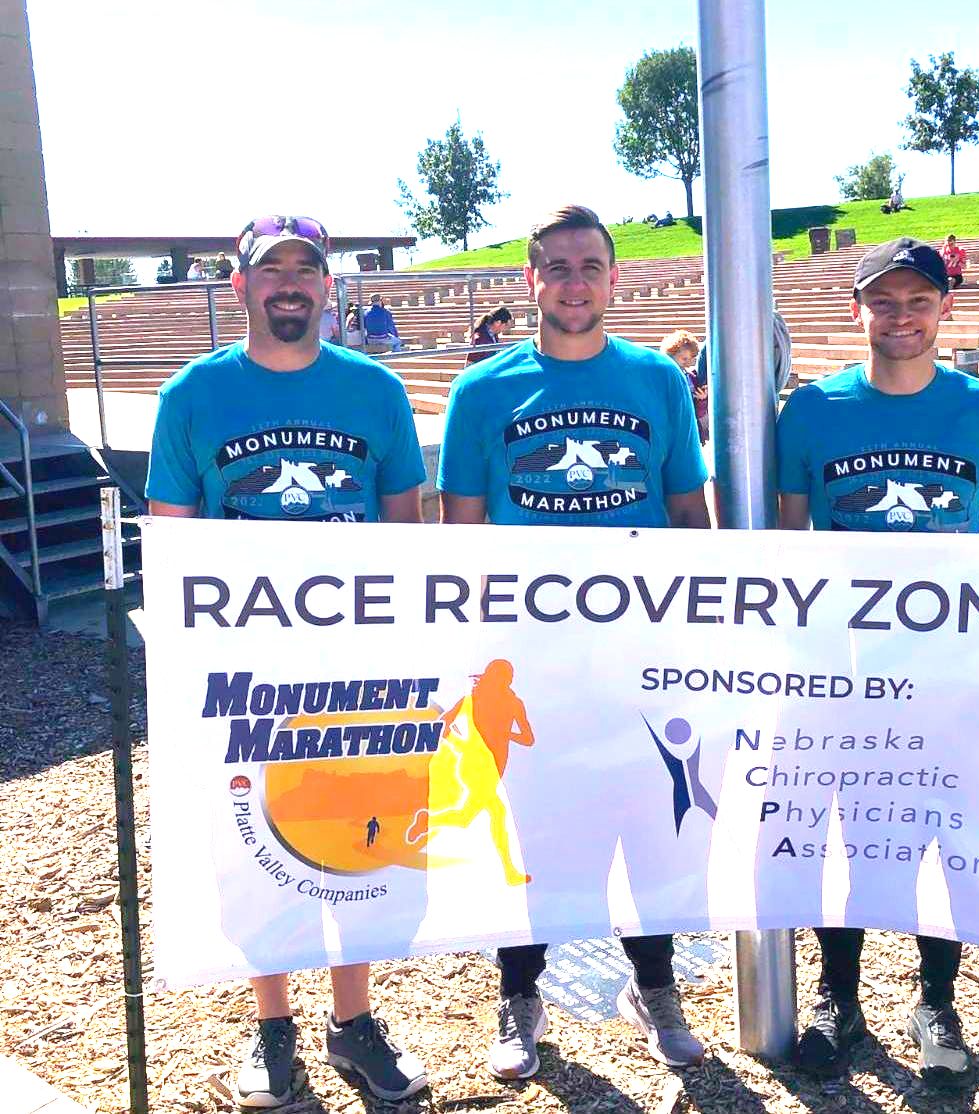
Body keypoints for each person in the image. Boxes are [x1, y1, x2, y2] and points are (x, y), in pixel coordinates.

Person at [145, 214, 428, 1109]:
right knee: (254, 843)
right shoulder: (192, 396)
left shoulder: (374, 390)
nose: (291, 284)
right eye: (273, 271)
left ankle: (354, 1021)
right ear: (241, 286)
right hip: (247, 671)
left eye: (307, 268)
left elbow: (407, 530)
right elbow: (172, 541)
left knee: (354, 838)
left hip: (356, 665)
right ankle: (273, 1027)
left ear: (328, 285)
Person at [438, 203, 709, 1081]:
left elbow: (687, 513)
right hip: (530, 660)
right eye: (556, 266)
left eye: (590, 265)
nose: (574, 282)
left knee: (649, 818)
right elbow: (461, 536)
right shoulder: (483, 392)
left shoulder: (657, 381)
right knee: (533, 830)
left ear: (614, 278)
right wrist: (472, 658)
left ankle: (654, 986)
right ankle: (521, 994)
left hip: (640, 650)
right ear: (531, 280)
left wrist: (701, 629)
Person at [776, 237, 979, 1087]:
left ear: (944, 308)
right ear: (856, 310)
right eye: (883, 301)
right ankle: (838, 998)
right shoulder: (812, 411)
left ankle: (937, 1003)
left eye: (918, 301)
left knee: (941, 836)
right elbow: (786, 541)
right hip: (846, 671)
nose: (901, 317)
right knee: (846, 835)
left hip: (950, 673)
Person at [659, 328, 707, 443]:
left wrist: (702, 399)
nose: (687, 363)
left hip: (689, 429)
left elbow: (698, 412)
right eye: (684, 359)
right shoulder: (662, 378)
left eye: (690, 359)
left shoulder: (691, 378)